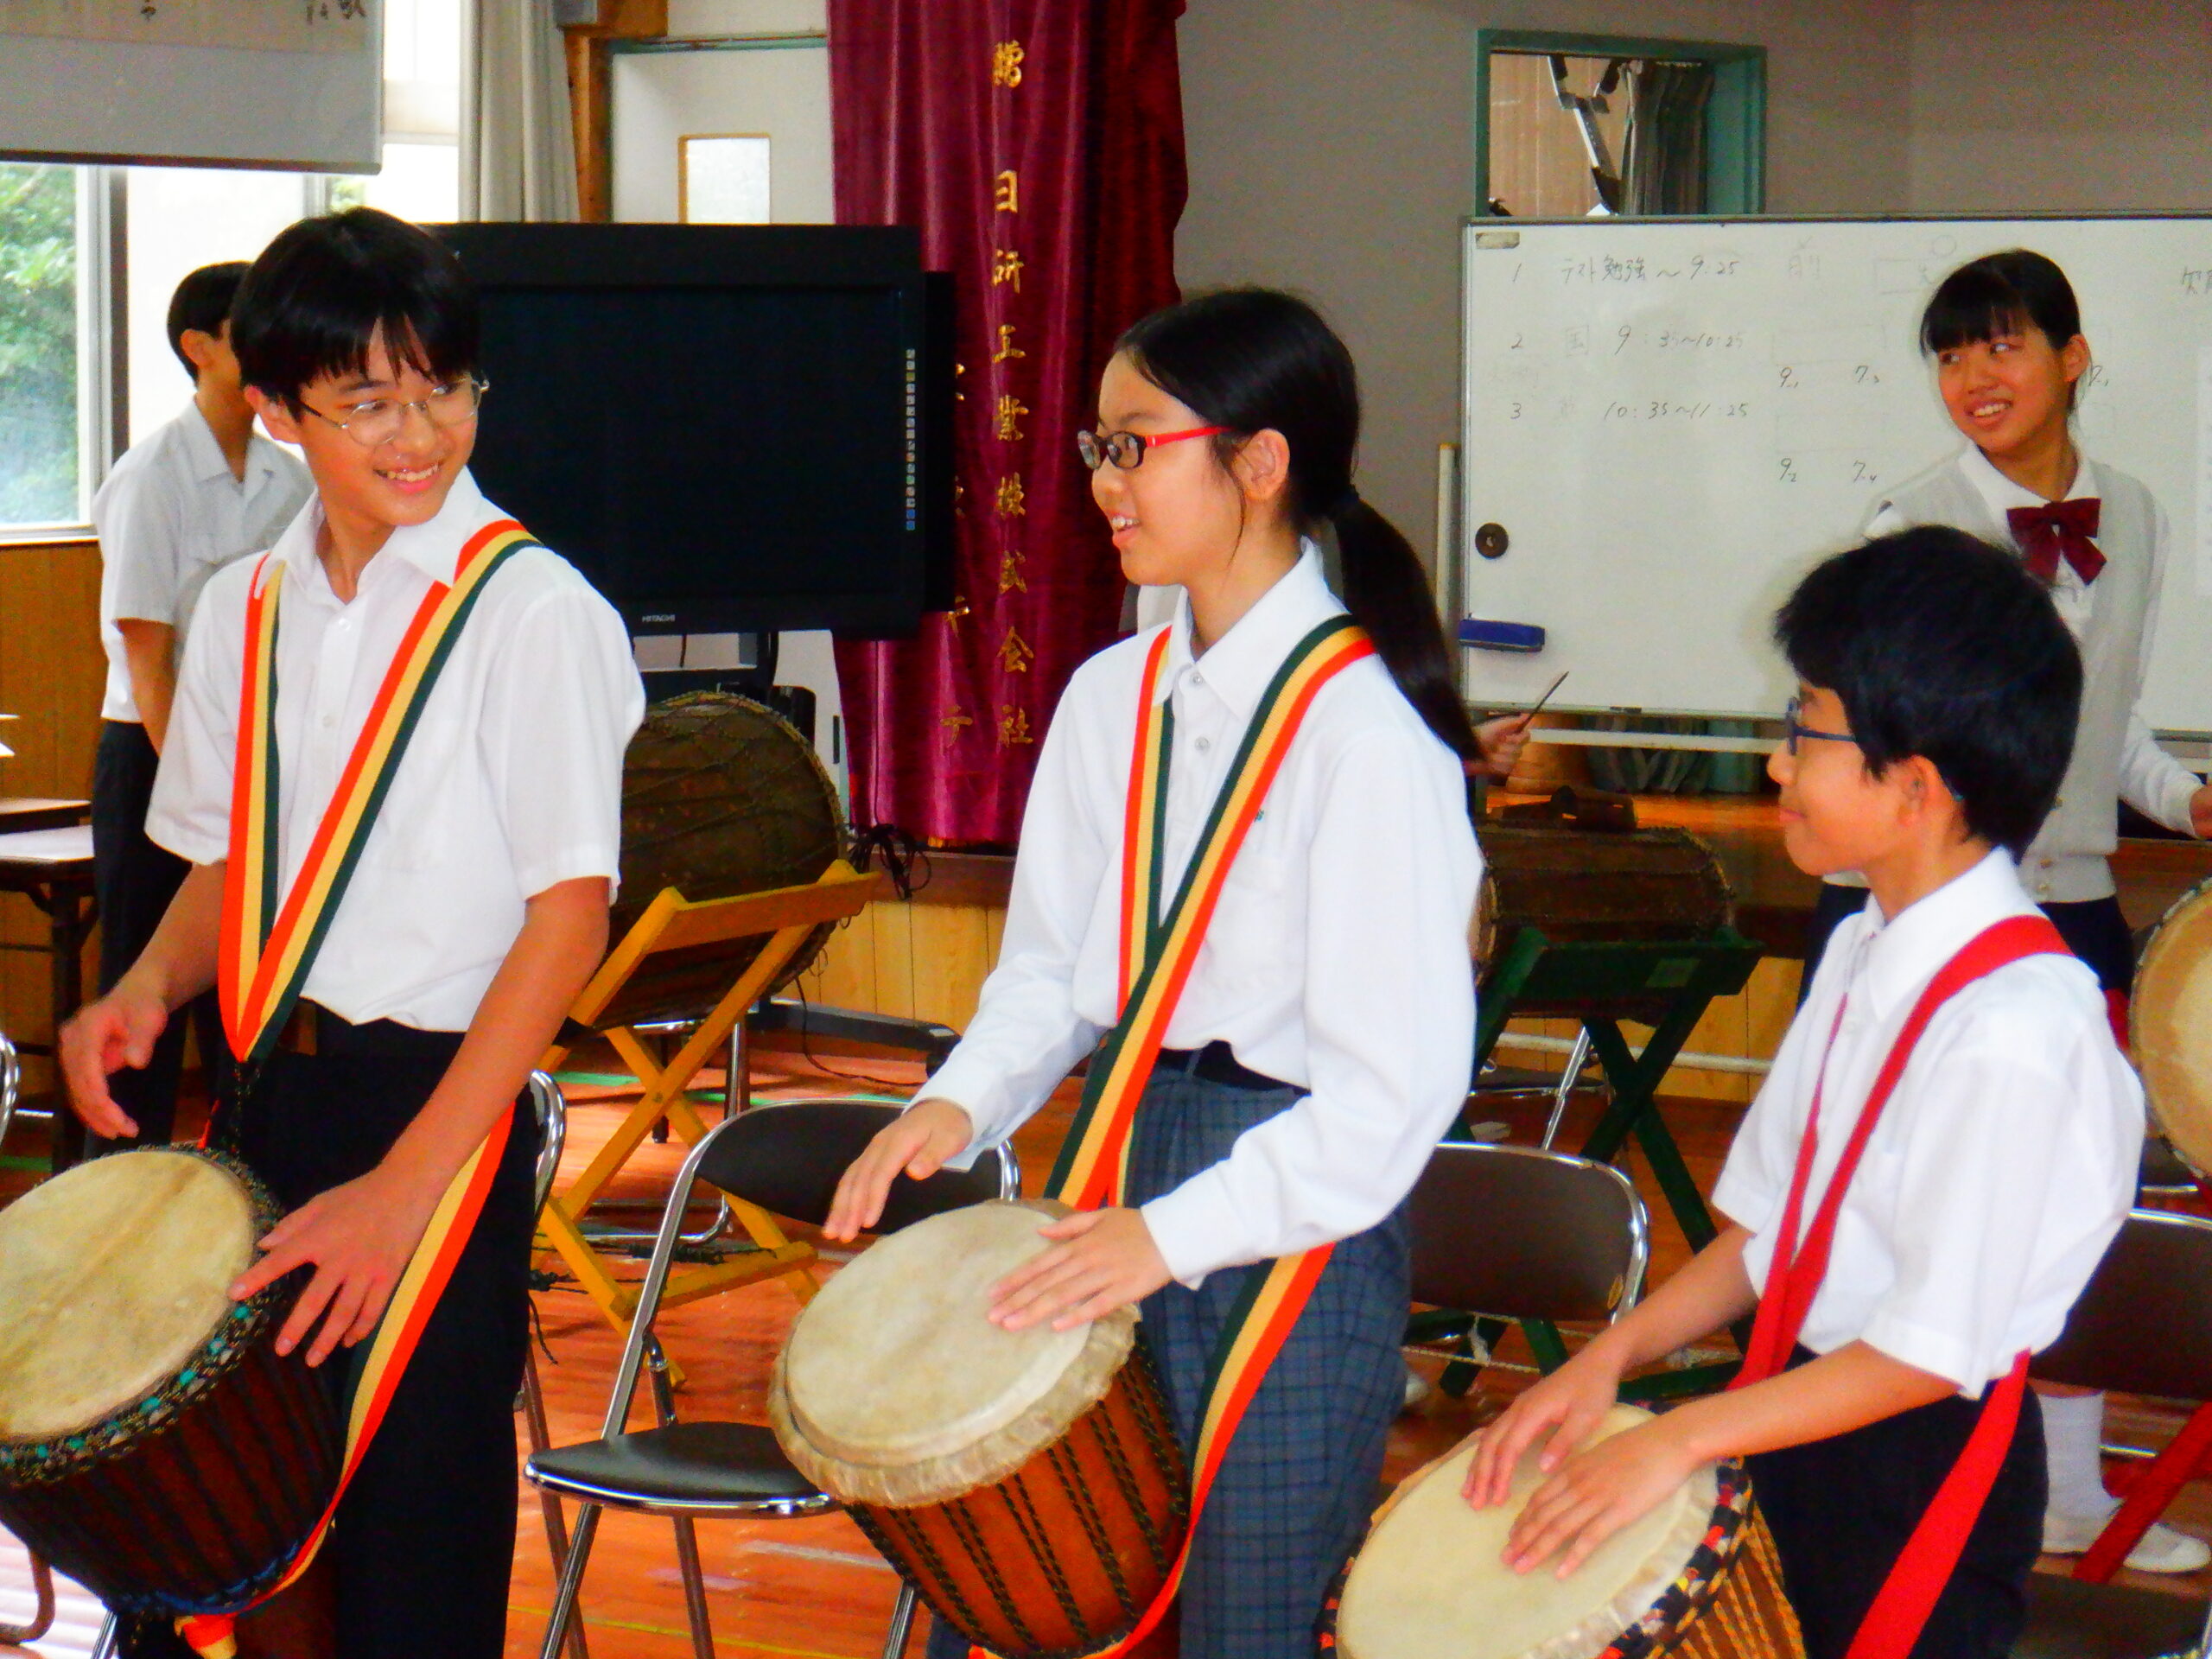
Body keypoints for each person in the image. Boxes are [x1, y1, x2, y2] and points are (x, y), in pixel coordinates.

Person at [823, 289, 1482, 1658]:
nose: (1104, 482)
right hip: (1119, 1154)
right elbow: (1051, 975)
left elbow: (1388, 1100)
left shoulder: (1366, 739)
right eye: (1098, 448)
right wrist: (960, 1103)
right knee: (1038, 1602)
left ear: (1261, 461)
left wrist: (1167, 1239)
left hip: (1293, 1210)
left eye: (1135, 445)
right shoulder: (1111, 699)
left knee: (1244, 1624)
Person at [58, 207, 645, 1659]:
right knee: (245, 1535)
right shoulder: (246, 608)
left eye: (443, 388)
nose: (419, 434)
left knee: (410, 1542)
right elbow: (231, 863)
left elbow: (568, 920)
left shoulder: (531, 612)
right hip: (270, 1095)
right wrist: (147, 987)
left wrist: (402, 1189)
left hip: (437, 1115)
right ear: (277, 409)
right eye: (368, 401)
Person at [1463, 528, 2140, 1659]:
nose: (1778, 767)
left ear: (1914, 787)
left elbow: (1926, 1354)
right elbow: (1769, 1237)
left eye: (1803, 734)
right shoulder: (1868, 946)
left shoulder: (2014, 1032)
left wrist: (1680, 1438)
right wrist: (1609, 1360)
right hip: (1794, 1403)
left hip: (1920, 1458)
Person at [1805, 249, 2211, 1573]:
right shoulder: (1909, 527)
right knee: (1898, 1201)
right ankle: (1885, 1482)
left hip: (2071, 909)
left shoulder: (2135, 512)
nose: (1974, 377)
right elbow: (1874, 734)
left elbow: (2108, 716)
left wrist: (2184, 797)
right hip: (1923, 916)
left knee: (2085, 1194)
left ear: (2072, 357)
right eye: (1950, 353)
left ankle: (2071, 1490)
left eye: (2003, 345)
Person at [74, 261, 313, 1168]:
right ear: (200, 348)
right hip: (154, 752)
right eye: (252, 332)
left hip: (257, 753)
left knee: (243, 984)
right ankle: (112, 1197)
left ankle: (237, 1186)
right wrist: (196, 785)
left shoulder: (293, 476)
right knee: (146, 981)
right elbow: (146, 654)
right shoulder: (153, 475)